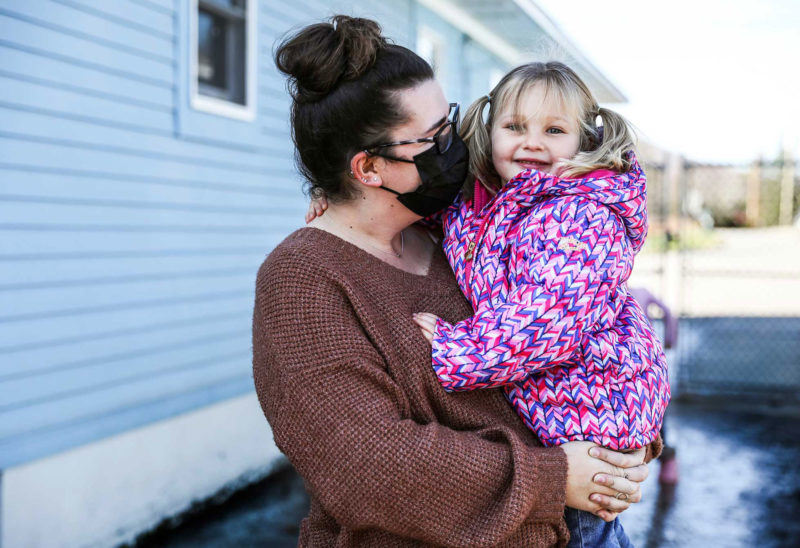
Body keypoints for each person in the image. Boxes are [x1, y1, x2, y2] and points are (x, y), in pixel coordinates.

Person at [254, 16, 658, 547]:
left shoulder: (465, 232)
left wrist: (626, 446)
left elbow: (582, 329)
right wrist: (557, 477)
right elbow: (369, 469)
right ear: (369, 168)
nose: (458, 145)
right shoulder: (303, 281)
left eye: (451, 121)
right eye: (435, 138)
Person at [410, 62, 671, 547]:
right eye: (515, 127)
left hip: (590, 414)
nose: (532, 143)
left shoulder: (579, 214)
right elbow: (450, 228)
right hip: (555, 416)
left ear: (583, 141)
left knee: (584, 535)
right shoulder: (495, 203)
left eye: (553, 130)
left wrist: (456, 349)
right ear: (489, 131)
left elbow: (544, 324)